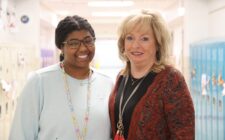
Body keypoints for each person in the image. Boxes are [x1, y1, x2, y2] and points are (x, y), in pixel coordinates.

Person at [9, 15, 114, 140]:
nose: (83, 48)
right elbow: (20, 134)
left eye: (88, 41)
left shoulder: (106, 83)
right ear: (61, 47)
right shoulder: (40, 81)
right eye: (73, 43)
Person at [109, 10, 195, 140]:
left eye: (144, 39)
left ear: (158, 44)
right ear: (123, 44)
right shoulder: (122, 77)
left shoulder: (171, 79)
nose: (135, 45)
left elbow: (184, 134)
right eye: (130, 38)